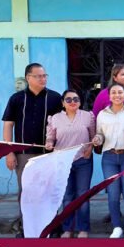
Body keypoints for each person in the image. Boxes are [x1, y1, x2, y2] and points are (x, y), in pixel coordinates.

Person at [2, 62, 63, 236]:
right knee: (26, 192)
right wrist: (9, 151)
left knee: (49, 190)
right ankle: (26, 228)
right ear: (28, 77)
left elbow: (62, 124)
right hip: (23, 155)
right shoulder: (16, 99)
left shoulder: (54, 98)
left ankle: (51, 227)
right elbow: (8, 125)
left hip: (49, 154)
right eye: (38, 76)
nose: (42, 79)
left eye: (45, 76)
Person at [44, 90, 95, 238]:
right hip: (63, 161)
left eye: (76, 99)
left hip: (83, 160)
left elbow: (93, 136)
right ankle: (68, 228)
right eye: (68, 99)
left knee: (82, 195)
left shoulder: (88, 116)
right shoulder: (55, 118)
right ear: (62, 103)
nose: (72, 101)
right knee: (67, 196)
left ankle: (83, 229)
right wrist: (48, 144)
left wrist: (90, 148)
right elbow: (50, 138)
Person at [91, 84, 124, 238]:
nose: (117, 95)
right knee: (112, 193)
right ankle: (117, 226)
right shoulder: (102, 115)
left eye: (120, 92)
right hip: (109, 158)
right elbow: (100, 134)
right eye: (113, 92)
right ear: (109, 96)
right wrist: (98, 138)